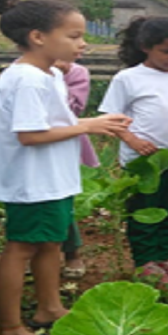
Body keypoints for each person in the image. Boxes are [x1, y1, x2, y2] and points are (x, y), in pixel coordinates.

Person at [0, 0, 129, 335]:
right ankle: (11, 328)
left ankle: (49, 307)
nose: (83, 44)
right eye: (74, 36)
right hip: (32, 180)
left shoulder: (46, 74)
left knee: (50, 243)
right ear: (38, 37)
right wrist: (90, 126)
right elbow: (30, 134)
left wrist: (87, 124)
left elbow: (49, 124)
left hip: (51, 177)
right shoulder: (28, 79)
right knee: (21, 248)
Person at [99, 16, 168, 284]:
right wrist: (132, 140)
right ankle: (145, 260)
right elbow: (111, 118)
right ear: (146, 47)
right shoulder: (129, 78)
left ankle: (167, 255)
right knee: (145, 208)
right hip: (143, 159)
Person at [54, 55, 97, 280]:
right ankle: (37, 254)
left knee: (64, 199)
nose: (81, 46)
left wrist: (58, 76)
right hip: (31, 147)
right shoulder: (19, 72)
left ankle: (72, 251)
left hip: (64, 142)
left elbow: (70, 111)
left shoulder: (76, 73)